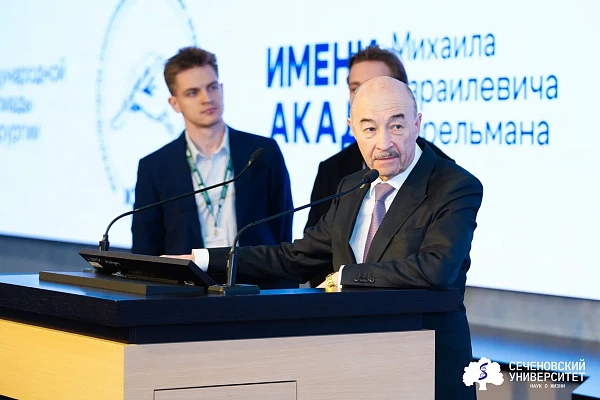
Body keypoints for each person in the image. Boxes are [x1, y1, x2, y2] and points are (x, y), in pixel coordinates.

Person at [171, 77, 482, 399]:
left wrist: (345, 277)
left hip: (426, 369)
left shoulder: (453, 185)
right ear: (352, 129)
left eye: (397, 127)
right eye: (369, 129)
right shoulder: (353, 186)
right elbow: (295, 257)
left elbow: (436, 268)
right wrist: (202, 260)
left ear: (417, 124)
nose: (384, 143)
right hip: (353, 366)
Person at [132, 46, 296, 289]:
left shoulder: (262, 153)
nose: (206, 98)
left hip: (256, 290)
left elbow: (282, 232)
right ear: (174, 103)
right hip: (184, 295)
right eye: (192, 92)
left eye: (211, 87)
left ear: (221, 89)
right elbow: (146, 251)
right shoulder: (155, 167)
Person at [305, 45, 453, 230]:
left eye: (375, 86)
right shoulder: (332, 171)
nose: (365, 96)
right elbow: (314, 245)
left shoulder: (445, 174)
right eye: (356, 89)